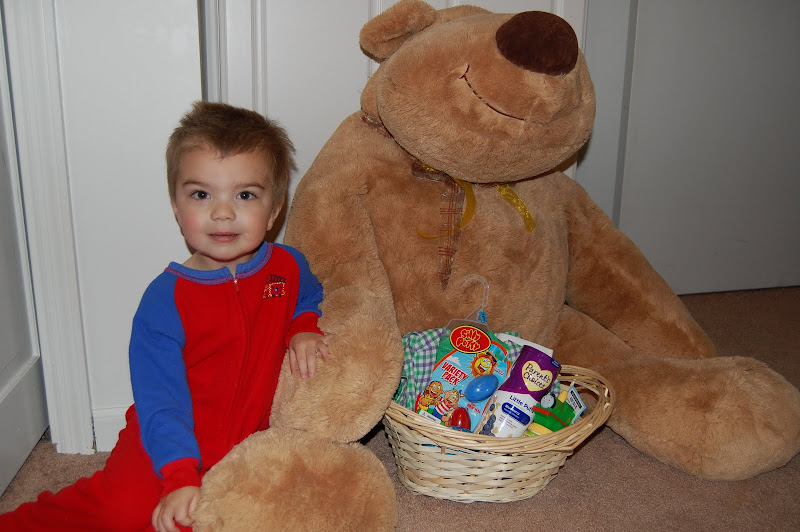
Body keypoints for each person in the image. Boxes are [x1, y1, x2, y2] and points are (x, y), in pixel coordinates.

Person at [0, 101, 330, 532]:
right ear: (176, 206)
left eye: (245, 195)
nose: (223, 212)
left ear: (274, 210)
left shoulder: (285, 268)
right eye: (201, 194)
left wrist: (302, 326)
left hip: (244, 444)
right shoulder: (165, 301)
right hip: (164, 440)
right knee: (121, 513)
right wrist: (178, 476)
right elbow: (161, 399)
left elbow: (308, 292)